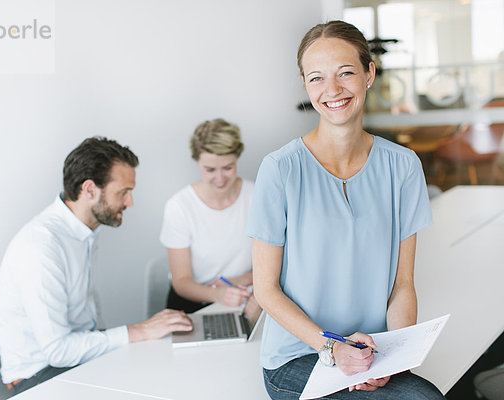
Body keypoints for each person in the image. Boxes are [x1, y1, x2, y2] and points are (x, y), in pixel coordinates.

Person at [245, 21, 445, 399]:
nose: (332, 90)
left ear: (369, 74)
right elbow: (266, 290)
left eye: (346, 73)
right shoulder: (280, 169)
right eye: (317, 78)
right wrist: (331, 349)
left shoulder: (402, 166)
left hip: (371, 352)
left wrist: (392, 359)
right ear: (306, 84)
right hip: (297, 357)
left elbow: (402, 286)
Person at [0, 137, 193, 395]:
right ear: (89, 189)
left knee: (161, 373)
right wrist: (139, 330)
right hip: (36, 380)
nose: (130, 202)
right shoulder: (42, 246)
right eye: (123, 192)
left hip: (71, 364)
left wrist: (141, 333)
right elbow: (58, 351)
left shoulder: (82, 233)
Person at [159, 118, 253, 313]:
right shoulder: (179, 207)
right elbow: (181, 282)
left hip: (245, 296)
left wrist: (239, 281)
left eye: (228, 167)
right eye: (209, 170)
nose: (219, 179)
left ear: (237, 158)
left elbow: (277, 263)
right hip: (193, 303)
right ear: (197, 162)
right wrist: (217, 294)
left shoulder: (256, 196)